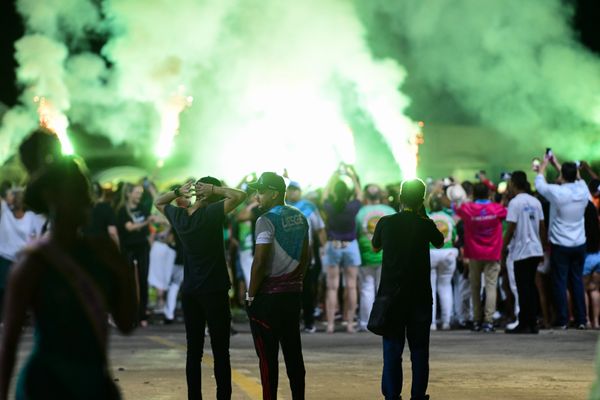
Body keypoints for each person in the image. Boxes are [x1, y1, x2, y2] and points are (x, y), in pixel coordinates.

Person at [0, 157, 138, 400]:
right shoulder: (33, 263)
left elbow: (126, 323)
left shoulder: (102, 252)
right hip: (46, 387)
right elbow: (9, 344)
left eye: (85, 193)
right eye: (75, 193)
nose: (85, 201)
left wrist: (124, 272)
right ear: (51, 197)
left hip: (95, 385)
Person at [154, 177, 246, 400]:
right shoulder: (213, 213)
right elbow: (240, 196)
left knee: (193, 352)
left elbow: (159, 202)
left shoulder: (179, 217)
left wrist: (178, 191)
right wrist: (214, 189)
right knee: (221, 352)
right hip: (214, 290)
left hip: (190, 292)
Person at [372, 178, 444, 400]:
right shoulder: (425, 223)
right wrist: (422, 216)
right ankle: (417, 395)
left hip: (392, 296)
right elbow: (440, 242)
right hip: (420, 296)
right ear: (422, 199)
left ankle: (392, 395)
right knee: (420, 351)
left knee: (392, 350)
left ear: (400, 197)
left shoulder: (385, 222)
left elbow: (375, 247)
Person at [245, 172, 310, 400]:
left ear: (273, 193)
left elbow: (260, 262)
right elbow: (306, 255)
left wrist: (250, 295)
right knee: (294, 355)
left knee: (267, 360)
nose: (257, 196)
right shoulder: (300, 217)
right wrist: (296, 280)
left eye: (261, 191)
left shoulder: (265, 220)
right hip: (292, 295)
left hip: (268, 300)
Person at [535, 156, 589, 329]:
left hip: (561, 244)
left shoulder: (557, 192)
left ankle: (563, 320)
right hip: (580, 243)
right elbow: (576, 177)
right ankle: (581, 320)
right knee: (577, 281)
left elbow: (539, 184)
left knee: (559, 282)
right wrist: (557, 163)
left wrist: (544, 164)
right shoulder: (583, 189)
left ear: (562, 176)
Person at [455, 182, 507, 332]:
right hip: (492, 253)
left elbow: (456, 208)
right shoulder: (496, 208)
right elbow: (506, 213)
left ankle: (477, 320)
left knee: (475, 287)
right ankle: (488, 321)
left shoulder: (467, 208)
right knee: (491, 286)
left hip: (474, 254)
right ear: (489, 194)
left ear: (473, 195)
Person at [502, 171, 546, 334]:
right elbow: (542, 227)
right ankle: (532, 322)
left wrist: (503, 247)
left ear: (513, 184)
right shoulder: (535, 202)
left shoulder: (515, 203)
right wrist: (542, 248)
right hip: (535, 249)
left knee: (522, 287)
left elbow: (510, 228)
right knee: (531, 286)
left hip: (521, 250)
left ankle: (524, 323)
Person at [322, 164, 363, 333]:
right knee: (352, 286)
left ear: (335, 192)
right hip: (351, 246)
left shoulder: (330, 207)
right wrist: (352, 175)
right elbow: (360, 194)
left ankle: (331, 325)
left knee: (332, 287)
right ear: (348, 193)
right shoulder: (352, 207)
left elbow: (324, 194)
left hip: (333, 246)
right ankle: (351, 324)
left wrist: (333, 176)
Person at [286, 181, 326, 333]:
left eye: (296, 190)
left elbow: (320, 229)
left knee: (307, 289)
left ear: (300, 191)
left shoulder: (309, 207)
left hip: (306, 254)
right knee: (289, 290)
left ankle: (309, 322)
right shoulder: (282, 206)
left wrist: (324, 249)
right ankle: (292, 322)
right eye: (291, 190)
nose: (293, 193)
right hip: (286, 254)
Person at [355, 184, 395, 332]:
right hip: (387, 255)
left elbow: (357, 232)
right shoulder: (390, 211)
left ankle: (366, 322)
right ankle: (384, 320)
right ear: (381, 195)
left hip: (366, 254)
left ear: (365, 196)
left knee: (366, 288)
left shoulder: (360, 212)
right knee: (384, 290)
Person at [0, 188, 45, 316]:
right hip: (5, 258)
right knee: (5, 289)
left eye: (9, 197)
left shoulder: (31, 217)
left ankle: (20, 313)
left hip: (23, 259)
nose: (7, 200)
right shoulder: (4, 212)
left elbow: (38, 236)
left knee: (22, 289)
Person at [116, 183, 155, 327]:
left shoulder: (142, 208)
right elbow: (130, 227)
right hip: (128, 248)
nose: (139, 196)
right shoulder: (122, 211)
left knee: (143, 279)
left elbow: (152, 221)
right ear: (129, 194)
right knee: (129, 281)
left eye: (141, 193)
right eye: (137, 193)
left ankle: (142, 314)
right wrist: (146, 222)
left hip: (142, 248)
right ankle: (129, 314)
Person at [427, 190, 458, 331]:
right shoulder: (449, 218)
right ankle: (446, 322)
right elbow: (455, 238)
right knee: (445, 287)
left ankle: (431, 323)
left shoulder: (426, 217)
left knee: (430, 290)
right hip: (448, 253)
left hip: (430, 253)